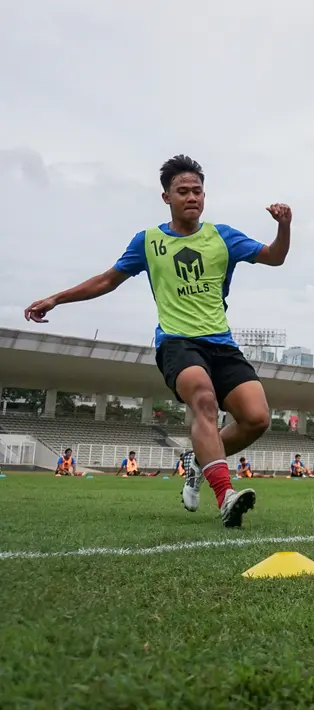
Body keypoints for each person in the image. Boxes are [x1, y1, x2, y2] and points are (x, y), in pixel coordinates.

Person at [23, 156, 282, 528]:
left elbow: (275, 257)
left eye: (197, 190)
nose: (191, 197)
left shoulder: (223, 236)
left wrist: (284, 228)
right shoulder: (149, 241)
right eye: (183, 191)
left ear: (204, 195)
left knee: (257, 419)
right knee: (204, 400)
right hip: (177, 342)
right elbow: (106, 280)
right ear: (166, 197)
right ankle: (226, 496)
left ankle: (199, 460)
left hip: (221, 344)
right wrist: (57, 298)